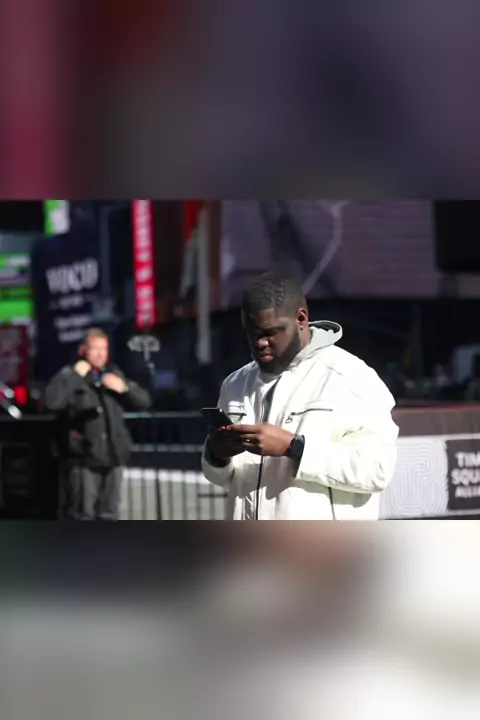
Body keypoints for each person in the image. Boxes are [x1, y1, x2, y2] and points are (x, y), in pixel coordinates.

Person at [202, 272, 398, 520]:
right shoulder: (235, 384)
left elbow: (377, 470)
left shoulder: (351, 378)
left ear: (301, 319)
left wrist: (294, 447)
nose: (260, 343)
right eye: (252, 333)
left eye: (271, 332)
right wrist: (217, 454)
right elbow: (223, 478)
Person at [44, 328, 151, 520]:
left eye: (104, 349)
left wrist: (125, 389)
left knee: (109, 514)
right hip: (84, 459)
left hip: (113, 457)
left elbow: (144, 402)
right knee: (83, 515)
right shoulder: (70, 375)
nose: (101, 354)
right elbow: (52, 402)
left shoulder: (112, 374)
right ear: (83, 350)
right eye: (95, 349)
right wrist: (75, 376)